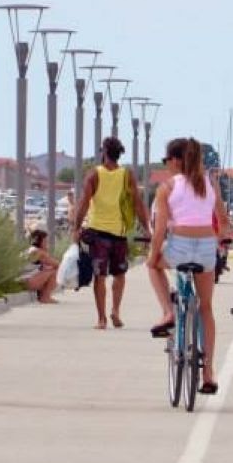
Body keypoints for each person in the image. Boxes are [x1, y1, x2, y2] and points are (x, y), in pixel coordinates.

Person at [147, 137, 232, 394]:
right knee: (205, 307)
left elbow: (160, 228)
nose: (166, 165)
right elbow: (223, 220)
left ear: (176, 160)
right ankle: (208, 371)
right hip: (207, 247)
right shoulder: (210, 183)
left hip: (180, 246)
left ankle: (168, 313)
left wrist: (153, 255)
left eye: (166, 160)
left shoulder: (167, 188)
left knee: (153, 267)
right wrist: (220, 239)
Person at [72, 137, 151, 329]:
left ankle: (101, 319)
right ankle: (115, 310)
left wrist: (75, 227)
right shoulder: (127, 175)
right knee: (119, 273)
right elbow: (138, 203)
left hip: (98, 232)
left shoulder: (94, 175)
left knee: (100, 276)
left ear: (104, 152)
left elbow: (83, 203)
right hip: (120, 233)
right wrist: (147, 228)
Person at [23, 229, 60, 303]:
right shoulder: (39, 252)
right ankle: (45, 297)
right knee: (55, 271)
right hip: (27, 282)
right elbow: (57, 264)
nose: (47, 243)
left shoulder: (31, 250)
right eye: (45, 241)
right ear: (39, 242)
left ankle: (43, 295)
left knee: (49, 269)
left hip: (25, 281)